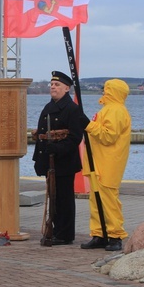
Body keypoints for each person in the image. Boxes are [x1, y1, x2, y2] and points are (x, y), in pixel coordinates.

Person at [80, 79, 132, 252]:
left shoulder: (116, 111)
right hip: (98, 162)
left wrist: (88, 125)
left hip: (108, 163)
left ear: (113, 91)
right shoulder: (108, 109)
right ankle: (99, 233)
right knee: (96, 200)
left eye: (106, 89)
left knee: (109, 201)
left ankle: (115, 236)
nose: (103, 92)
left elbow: (108, 136)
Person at [32, 70, 83, 245]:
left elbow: (75, 137)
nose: (53, 87)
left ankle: (65, 234)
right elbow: (42, 134)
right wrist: (38, 159)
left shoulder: (72, 109)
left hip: (64, 162)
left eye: (57, 85)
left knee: (64, 199)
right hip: (49, 160)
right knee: (53, 197)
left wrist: (57, 148)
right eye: (52, 84)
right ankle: (55, 230)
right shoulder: (48, 107)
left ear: (66, 88)